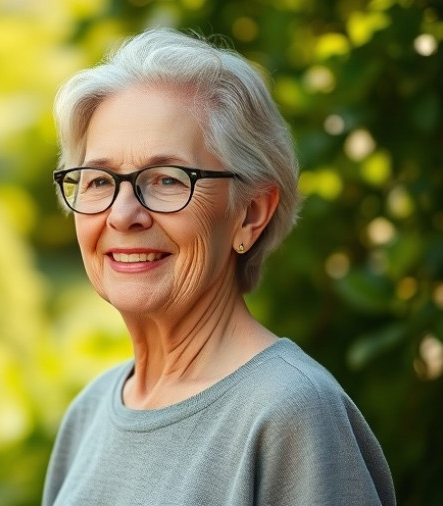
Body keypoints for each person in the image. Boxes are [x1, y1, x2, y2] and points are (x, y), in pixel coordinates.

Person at [43, 28, 395, 505]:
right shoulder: (89, 414)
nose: (123, 215)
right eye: (99, 181)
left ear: (250, 213)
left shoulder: (291, 413)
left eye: (167, 179)